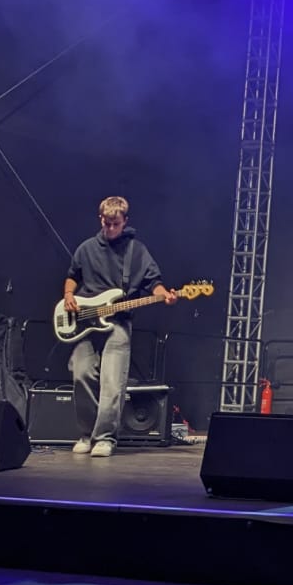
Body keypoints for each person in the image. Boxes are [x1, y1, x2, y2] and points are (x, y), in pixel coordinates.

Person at [62, 196, 175, 457]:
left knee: (112, 381)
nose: (111, 228)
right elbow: (72, 276)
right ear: (100, 219)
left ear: (125, 222)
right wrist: (68, 295)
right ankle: (86, 434)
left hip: (118, 322)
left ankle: (105, 438)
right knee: (81, 374)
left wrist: (164, 294)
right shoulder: (86, 248)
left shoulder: (136, 251)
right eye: (106, 223)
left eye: (116, 224)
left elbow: (153, 282)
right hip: (85, 323)